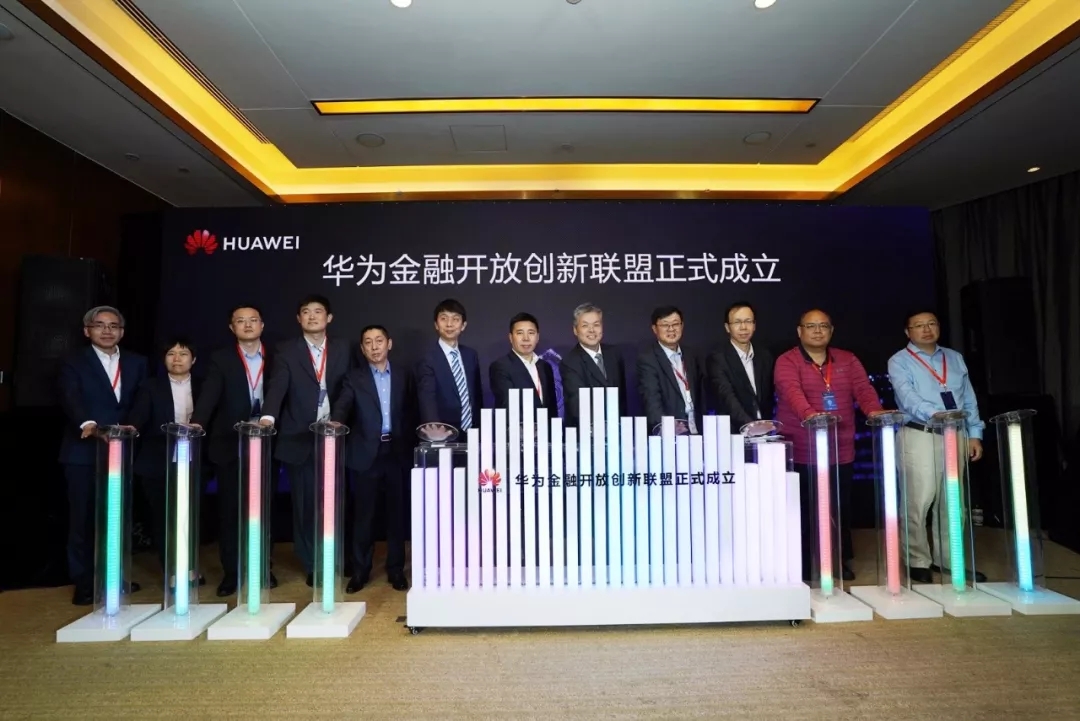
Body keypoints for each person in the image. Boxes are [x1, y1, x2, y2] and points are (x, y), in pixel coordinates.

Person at [774, 309, 889, 582]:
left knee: (839, 508)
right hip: (800, 450)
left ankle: (837, 559)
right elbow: (791, 392)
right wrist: (811, 416)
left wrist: (875, 411)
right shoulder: (787, 361)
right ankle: (802, 564)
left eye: (823, 326)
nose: (817, 331)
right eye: (811, 326)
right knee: (801, 510)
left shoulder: (847, 360)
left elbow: (863, 390)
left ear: (831, 330)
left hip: (840, 449)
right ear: (799, 331)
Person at [887, 309, 987, 583]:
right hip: (920, 432)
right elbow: (907, 397)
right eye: (919, 325)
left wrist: (974, 433)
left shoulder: (954, 358)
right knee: (918, 500)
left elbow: (969, 398)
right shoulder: (899, 361)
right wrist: (936, 414)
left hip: (956, 434)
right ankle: (916, 559)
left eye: (931, 323)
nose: (926, 329)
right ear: (908, 332)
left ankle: (950, 559)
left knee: (953, 501)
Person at [57, 306, 147, 605]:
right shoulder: (73, 361)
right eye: (100, 325)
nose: (107, 331)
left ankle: (113, 578)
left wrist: (134, 425)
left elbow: (142, 399)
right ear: (87, 331)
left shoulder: (137, 362)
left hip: (122, 450)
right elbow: (70, 397)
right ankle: (84, 583)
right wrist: (89, 424)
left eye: (113, 326)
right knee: (82, 520)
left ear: (122, 331)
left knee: (116, 518)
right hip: (83, 451)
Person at [261, 294, 351, 586]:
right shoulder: (286, 351)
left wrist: (340, 418)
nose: (312, 316)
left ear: (329, 318)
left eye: (318, 311)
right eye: (306, 312)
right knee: (305, 506)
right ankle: (312, 563)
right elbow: (277, 386)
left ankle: (335, 559)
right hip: (299, 438)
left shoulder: (343, 348)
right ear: (299, 319)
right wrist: (268, 417)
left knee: (334, 503)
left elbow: (349, 389)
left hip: (335, 436)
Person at [190, 304, 277, 596]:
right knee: (230, 512)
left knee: (264, 510)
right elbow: (209, 395)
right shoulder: (221, 358)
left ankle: (263, 567)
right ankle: (232, 572)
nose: (247, 325)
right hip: (230, 443)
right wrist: (197, 422)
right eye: (241, 321)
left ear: (262, 325)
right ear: (232, 328)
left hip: (266, 442)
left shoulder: (277, 355)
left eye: (253, 320)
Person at [331, 325, 415, 593]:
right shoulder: (353, 378)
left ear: (389, 344)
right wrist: (336, 420)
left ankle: (396, 570)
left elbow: (412, 409)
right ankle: (360, 571)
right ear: (362, 348)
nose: (374, 346)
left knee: (397, 516)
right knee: (363, 517)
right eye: (368, 342)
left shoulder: (404, 374)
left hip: (396, 453)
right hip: (366, 455)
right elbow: (343, 404)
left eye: (379, 341)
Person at [126, 337, 205, 587]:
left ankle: (190, 567)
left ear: (193, 359)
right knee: (164, 518)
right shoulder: (150, 386)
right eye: (171, 354)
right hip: (157, 461)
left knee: (190, 516)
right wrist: (129, 429)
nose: (177, 359)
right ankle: (171, 571)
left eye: (183, 354)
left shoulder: (204, 385)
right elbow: (137, 420)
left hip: (195, 460)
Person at [415, 298, 482, 439]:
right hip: (443, 433)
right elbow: (427, 398)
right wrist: (434, 429)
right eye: (444, 319)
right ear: (436, 324)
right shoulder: (428, 359)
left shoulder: (471, 355)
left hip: (473, 432)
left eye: (455, 319)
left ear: (463, 325)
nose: (449, 324)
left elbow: (476, 394)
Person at [706, 301, 775, 429]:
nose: (743, 327)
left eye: (748, 321)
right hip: (734, 431)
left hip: (765, 430)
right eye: (737, 322)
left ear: (754, 325)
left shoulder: (765, 356)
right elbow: (727, 398)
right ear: (727, 327)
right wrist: (750, 425)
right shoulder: (717, 359)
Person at [636, 306, 703, 434]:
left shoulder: (691, 355)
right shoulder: (648, 360)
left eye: (675, 324)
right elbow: (651, 399)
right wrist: (666, 427)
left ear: (682, 326)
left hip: (697, 430)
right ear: (654, 329)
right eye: (665, 325)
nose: (671, 329)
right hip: (670, 433)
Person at [559, 302, 626, 427]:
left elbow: (621, 397)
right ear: (575, 330)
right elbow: (577, 403)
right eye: (585, 325)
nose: (592, 330)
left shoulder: (614, 354)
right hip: (587, 430)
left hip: (617, 428)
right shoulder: (570, 362)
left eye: (596, 325)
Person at [489, 312, 558, 415]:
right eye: (520, 333)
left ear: (537, 337)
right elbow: (508, 405)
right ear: (511, 337)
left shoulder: (545, 366)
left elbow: (552, 406)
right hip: (518, 425)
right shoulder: (500, 366)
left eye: (531, 333)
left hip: (546, 424)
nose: (526, 338)